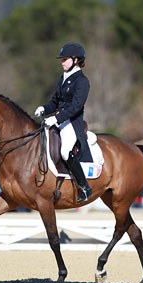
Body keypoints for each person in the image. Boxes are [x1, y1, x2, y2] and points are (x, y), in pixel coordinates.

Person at [35, 42, 92, 203]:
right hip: (59, 120)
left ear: (75, 60)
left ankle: (85, 187)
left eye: (65, 59)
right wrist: (44, 109)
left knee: (65, 151)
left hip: (72, 123)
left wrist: (57, 118)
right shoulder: (63, 78)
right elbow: (55, 102)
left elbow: (76, 106)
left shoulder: (82, 81)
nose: (62, 62)